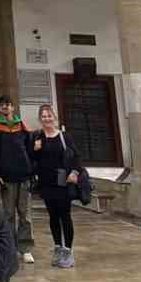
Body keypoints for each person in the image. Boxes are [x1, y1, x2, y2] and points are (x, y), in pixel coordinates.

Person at [30, 103, 83, 268]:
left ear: (54, 117)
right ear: (40, 119)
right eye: (43, 116)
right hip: (47, 183)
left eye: (49, 115)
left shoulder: (64, 137)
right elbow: (32, 160)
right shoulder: (37, 137)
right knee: (53, 216)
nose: (47, 118)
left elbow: (76, 158)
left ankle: (68, 251)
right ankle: (58, 247)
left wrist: (74, 172)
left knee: (64, 216)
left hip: (63, 182)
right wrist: (35, 150)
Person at [0, 95, 36, 265]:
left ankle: (25, 248)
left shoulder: (22, 127)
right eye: (3, 105)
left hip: (24, 177)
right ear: (0, 108)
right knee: (8, 215)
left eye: (8, 105)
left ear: (13, 107)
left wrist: (32, 172)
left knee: (25, 215)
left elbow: (30, 151)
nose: (6, 107)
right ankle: (8, 248)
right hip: (6, 178)